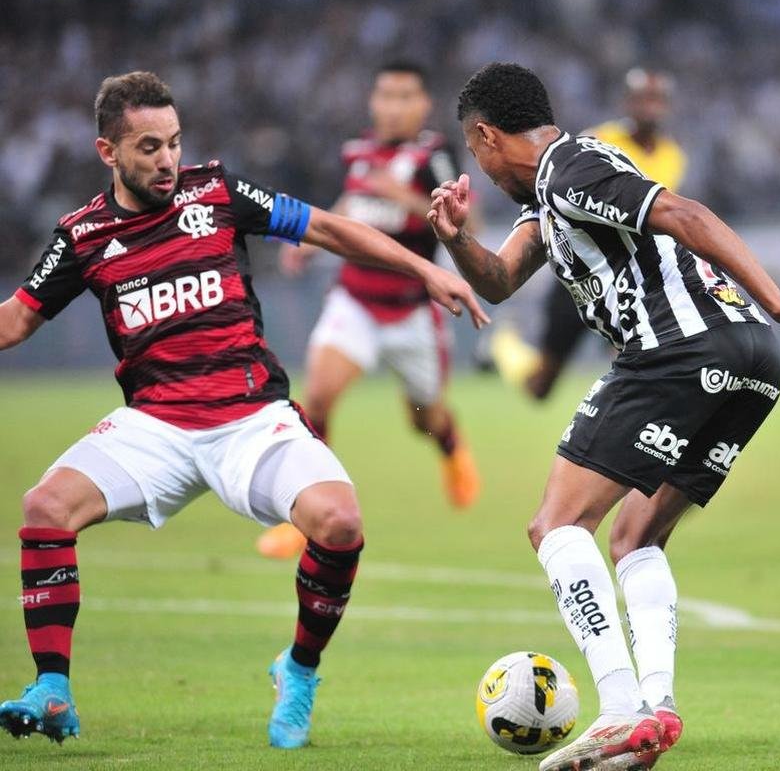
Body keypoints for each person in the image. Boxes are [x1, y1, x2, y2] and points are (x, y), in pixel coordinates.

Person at [0, 71, 487, 748]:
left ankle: (299, 668)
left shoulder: (216, 191)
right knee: (44, 509)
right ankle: (52, 688)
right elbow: (15, 323)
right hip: (155, 428)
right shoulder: (81, 236)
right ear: (107, 152)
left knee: (340, 523)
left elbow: (325, 228)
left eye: (173, 142)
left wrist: (426, 269)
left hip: (251, 421)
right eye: (147, 147)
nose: (167, 160)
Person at [428, 63, 780, 771]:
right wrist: (455, 237)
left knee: (555, 523)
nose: (480, 169)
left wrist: (777, 298)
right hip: (749, 361)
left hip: (679, 351)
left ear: (486, 136)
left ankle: (618, 710)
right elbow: (498, 278)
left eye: (475, 153)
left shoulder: (571, 167)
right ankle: (655, 714)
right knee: (634, 537)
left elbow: (686, 214)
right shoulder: (549, 200)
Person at [256, 61, 481, 561]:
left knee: (424, 417)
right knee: (316, 399)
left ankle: (450, 446)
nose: (393, 106)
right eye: (385, 95)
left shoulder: (433, 155)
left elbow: (471, 218)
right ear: (372, 101)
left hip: (411, 312)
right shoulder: (357, 152)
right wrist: (309, 241)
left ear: (423, 104)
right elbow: (350, 203)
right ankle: (306, 515)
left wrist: (400, 194)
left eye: (405, 96)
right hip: (355, 300)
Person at [490, 68, 688, 402]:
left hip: (631, 278)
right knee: (541, 387)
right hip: (583, 273)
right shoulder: (597, 139)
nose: (650, 107)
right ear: (628, 102)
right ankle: (503, 347)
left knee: (638, 367)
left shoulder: (675, 156)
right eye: (643, 99)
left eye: (657, 99)